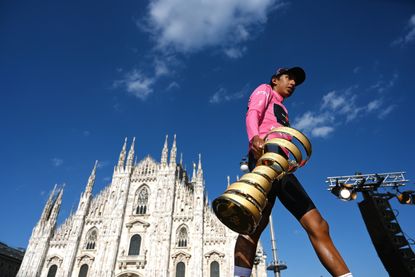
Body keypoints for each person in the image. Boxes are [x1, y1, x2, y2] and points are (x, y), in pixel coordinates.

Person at [234, 67, 352, 277]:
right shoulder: (264, 90)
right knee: (254, 226)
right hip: (267, 156)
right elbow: (253, 113)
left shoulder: (282, 108)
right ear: (274, 79)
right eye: (288, 77)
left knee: (317, 225)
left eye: (296, 81)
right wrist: (254, 138)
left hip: (281, 162)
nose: (293, 83)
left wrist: (292, 162)